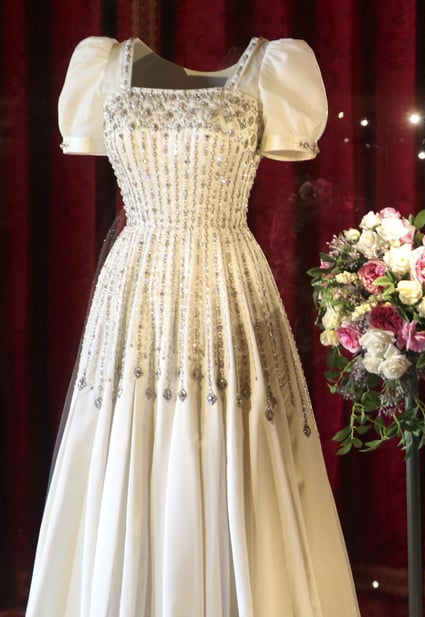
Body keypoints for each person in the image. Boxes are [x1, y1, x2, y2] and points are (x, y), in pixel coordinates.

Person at [27, 36, 360, 616]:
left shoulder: (274, 69)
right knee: (131, 429)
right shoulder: (102, 66)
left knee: (233, 426)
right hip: (137, 286)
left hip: (225, 278)